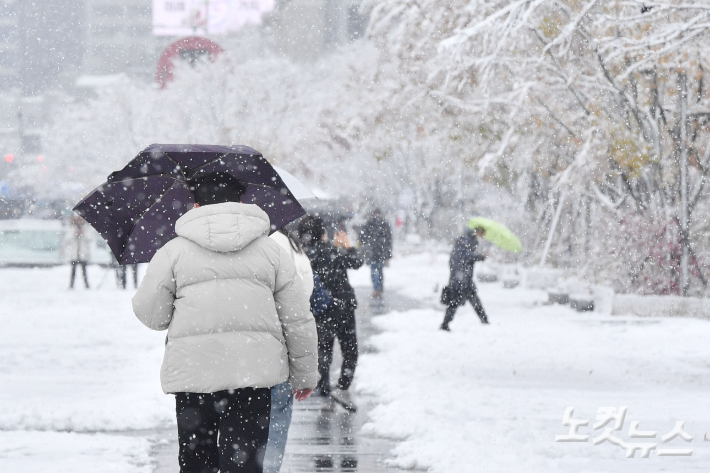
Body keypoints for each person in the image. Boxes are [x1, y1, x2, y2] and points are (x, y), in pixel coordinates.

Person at [132, 172, 318, 473]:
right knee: (243, 464)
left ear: (195, 204)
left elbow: (152, 316)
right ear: (241, 202)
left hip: (194, 376)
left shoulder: (172, 252)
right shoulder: (273, 252)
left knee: (197, 464)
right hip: (252, 375)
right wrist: (305, 375)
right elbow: (298, 319)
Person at [298, 216, 363, 411]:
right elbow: (357, 262)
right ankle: (342, 387)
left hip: (320, 309)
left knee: (323, 350)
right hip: (343, 306)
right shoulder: (333, 251)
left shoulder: (303, 257)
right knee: (349, 350)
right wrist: (348, 246)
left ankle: (325, 389)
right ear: (322, 234)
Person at [263, 228, 314, 473]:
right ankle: (270, 468)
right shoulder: (291, 245)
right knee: (278, 416)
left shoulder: (266, 245)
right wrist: (304, 374)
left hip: (258, 344)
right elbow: (300, 306)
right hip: (280, 346)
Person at [440, 226, 489, 331]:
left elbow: (464, 257)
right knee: (457, 301)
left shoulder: (469, 240)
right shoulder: (466, 240)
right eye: (482, 233)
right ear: (478, 231)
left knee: (464, 300)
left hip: (463, 277)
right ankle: (445, 324)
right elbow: (465, 257)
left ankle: (485, 320)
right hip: (460, 278)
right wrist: (480, 257)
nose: (482, 236)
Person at [359, 208, 393, 297]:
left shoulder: (369, 224)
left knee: (375, 270)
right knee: (378, 270)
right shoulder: (384, 224)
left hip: (374, 252)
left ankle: (377, 288)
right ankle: (379, 287)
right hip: (379, 251)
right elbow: (389, 240)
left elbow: (363, 237)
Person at [63, 215, 92, 289]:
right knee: (73, 271)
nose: (79, 221)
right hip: (74, 253)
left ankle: (86, 285)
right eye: (78, 219)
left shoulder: (87, 227)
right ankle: (71, 285)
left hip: (83, 252)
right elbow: (67, 238)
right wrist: (74, 234)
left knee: (84, 271)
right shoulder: (71, 227)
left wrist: (83, 234)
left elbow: (90, 238)